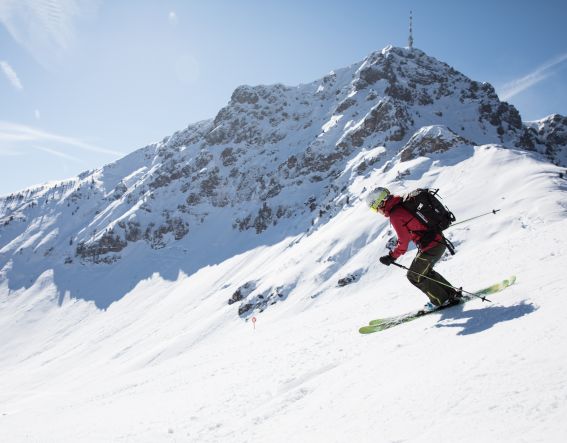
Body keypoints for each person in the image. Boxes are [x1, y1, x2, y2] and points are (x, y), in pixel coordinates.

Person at [366, 187, 460, 308]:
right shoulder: (402, 203)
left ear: (381, 202)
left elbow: (403, 242)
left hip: (432, 246)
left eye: (375, 208)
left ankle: (441, 300)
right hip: (437, 241)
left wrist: (391, 257)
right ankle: (451, 294)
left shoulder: (396, 215)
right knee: (424, 273)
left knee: (414, 276)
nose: (378, 211)